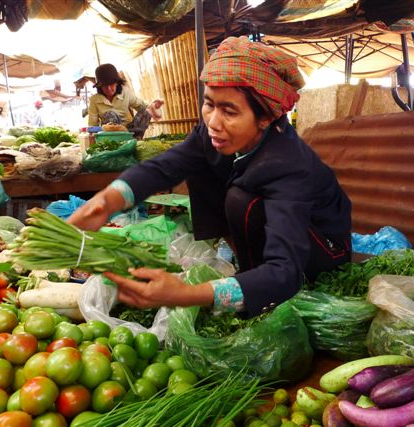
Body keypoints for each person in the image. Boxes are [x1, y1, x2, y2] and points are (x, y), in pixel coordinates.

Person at [69, 37, 352, 317]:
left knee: (241, 200)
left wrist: (186, 294)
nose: (213, 122)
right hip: (277, 230)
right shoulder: (213, 133)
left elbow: (285, 271)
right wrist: (105, 202)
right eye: (209, 105)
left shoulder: (289, 165)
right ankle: (247, 272)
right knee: (201, 166)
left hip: (321, 250)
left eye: (229, 111)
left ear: (265, 117)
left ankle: (253, 282)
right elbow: (163, 167)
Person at [87, 63, 163, 138]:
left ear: (117, 83)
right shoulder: (94, 100)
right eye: (105, 86)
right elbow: (92, 126)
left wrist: (154, 106)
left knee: (146, 111)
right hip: (109, 134)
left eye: (111, 84)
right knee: (110, 114)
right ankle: (117, 142)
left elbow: (142, 106)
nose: (109, 89)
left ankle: (136, 139)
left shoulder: (125, 93)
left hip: (128, 130)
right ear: (100, 87)